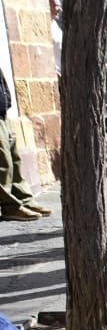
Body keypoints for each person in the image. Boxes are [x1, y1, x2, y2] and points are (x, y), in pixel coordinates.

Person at [0, 67, 45, 221]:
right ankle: (10, 206)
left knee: (14, 159)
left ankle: (25, 200)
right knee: (3, 163)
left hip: (3, 113)